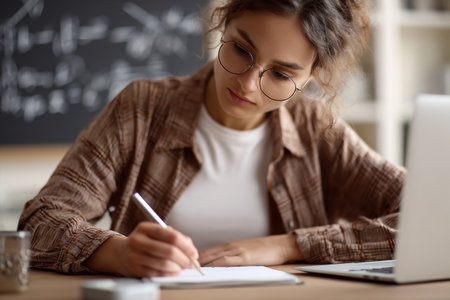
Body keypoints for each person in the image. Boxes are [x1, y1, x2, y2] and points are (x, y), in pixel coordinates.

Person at [18, 0, 406, 278]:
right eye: (241, 50)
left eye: (281, 75)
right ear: (225, 23)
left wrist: (291, 245)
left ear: (310, 80)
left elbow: (431, 216)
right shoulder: (143, 108)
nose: (247, 83)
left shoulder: (317, 130)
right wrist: (117, 253)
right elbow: (39, 222)